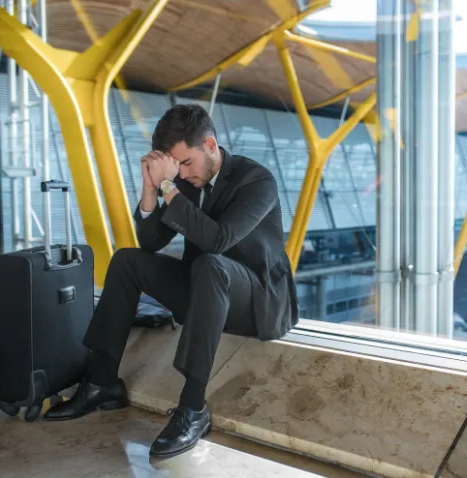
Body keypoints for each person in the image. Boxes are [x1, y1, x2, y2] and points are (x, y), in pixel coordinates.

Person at [43, 104, 299, 458]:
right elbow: (150, 243)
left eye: (186, 163)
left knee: (212, 264)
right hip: (204, 291)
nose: (182, 173)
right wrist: (151, 188)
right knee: (127, 261)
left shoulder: (257, 181)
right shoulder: (184, 180)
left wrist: (168, 184)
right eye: (175, 167)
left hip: (255, 301)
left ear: (210, 144)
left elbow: (218, 241)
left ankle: (192, 409)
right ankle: (102, 382)